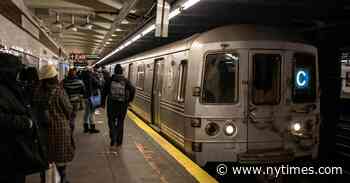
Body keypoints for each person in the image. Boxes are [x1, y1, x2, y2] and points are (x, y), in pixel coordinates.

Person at [0, 53, 44, 183]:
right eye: (17, 71)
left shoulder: (11, 87)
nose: (18, 75)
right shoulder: (5, 89)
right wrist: (27, 122)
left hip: (15, 152)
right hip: (7, 153)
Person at [32, 64, 75, 183]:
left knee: (46, 157)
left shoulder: (37, 93)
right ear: (54, 77)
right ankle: (62, 178)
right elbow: (68, 109)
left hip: (43, 131)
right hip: (60, 129)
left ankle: (45, 179)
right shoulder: (59, 91)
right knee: (60, 158)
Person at [102, 64, 135, 149]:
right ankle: (119, 141)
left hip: (111, 104)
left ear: (114, 71)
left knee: (111, 121)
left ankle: (113, 138)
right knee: (120, 122)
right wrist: (129, 100)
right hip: (122, 105)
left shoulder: (109, 80)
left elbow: (104, 92)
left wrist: (102, 103)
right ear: (122, 71)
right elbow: (133, 89)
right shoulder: (126, 81)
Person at [81, 69, 100, 133]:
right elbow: (99, 84)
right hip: (92, 97)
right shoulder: (92, 78)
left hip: (85, 97)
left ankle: (86, 128)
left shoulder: (82, 79)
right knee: (92, 113)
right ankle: (92, 128)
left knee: (86, 112)